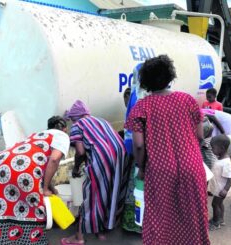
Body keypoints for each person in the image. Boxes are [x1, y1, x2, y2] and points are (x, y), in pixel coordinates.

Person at [125, 55, 209, 244]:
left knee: (161, 217)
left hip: (161, 170)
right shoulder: (187, 100)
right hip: (193, 166)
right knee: (193, 216)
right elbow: (200, 136)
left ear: (145, 81)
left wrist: (141, 168)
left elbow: (139, 145)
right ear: (170, 77)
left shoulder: (142, 107)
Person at [0, 116, 70, 245]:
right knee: (34, 210)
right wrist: (44, 189)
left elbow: (41, 163)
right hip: (23, 168)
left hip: (1, 163)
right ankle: (36, 242)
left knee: (6, 206)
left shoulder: (37, 135)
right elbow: (54, 159)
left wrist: (50, 186)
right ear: (64, 129)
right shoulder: (62, 136)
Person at [62, 100, 127, 245]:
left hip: (103, 157)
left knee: (91, 195)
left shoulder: (78, 125)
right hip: (121, 155)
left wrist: (76, 167)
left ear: (75, 118)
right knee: (110, 192)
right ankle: (101, 231)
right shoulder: (101, 120)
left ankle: (79, 237)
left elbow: (80, 151)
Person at [122, 63, 146, 234]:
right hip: (154, 153)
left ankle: (134, 224)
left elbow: (135, 136)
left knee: (136, 186)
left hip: (138, 152)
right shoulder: (156, 95)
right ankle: (148, 227)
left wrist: (140, 163)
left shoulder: (137, 97)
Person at [208, 135, 231, 230]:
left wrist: (225, 189)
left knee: (215, 204)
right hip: (219, 187)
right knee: (219, 204)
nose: (211, 149)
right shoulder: (220, 158)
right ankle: (221, 219)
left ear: (222, 148)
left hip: (221, 189)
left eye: (213, 147)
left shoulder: (226, 163)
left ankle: (216, 222)